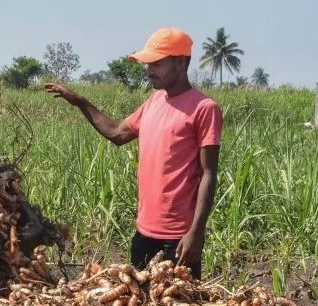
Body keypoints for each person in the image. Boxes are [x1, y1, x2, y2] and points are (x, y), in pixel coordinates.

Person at [43, 27, 222, 278]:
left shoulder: (204, 108)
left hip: (178, 238)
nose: (149, 71)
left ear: (181, 63)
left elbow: (208, 174)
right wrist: (80, 102)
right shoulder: (154, 102)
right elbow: (117, 133)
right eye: (148, 64)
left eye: (157, 64)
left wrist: (195, 233)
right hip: (144, 233)